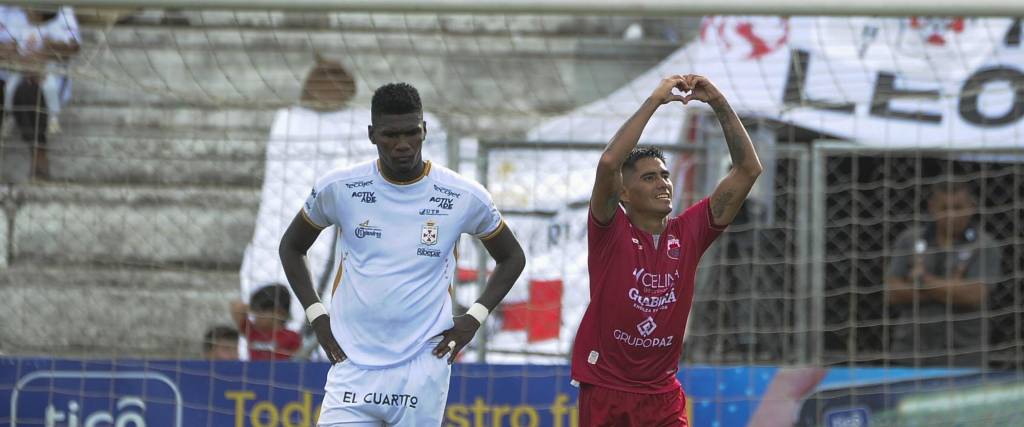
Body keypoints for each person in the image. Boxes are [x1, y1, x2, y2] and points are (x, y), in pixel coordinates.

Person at [279, 82, 525, 426]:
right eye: (390, 135)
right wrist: (317, 316)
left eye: (412, 132)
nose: (403, 145)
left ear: (424, 130)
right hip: (351, 363)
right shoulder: (340, 188)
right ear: (372, 135)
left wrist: (474, 319)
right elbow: (291, 246)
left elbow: (512, 257)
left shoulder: (463, 195)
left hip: (422, 365)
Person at [571, 74, 762, 426]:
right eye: (649, 178)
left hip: (662, 396)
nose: (663, 183)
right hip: (607, 390)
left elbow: (748, 169)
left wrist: (718, 101)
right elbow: (610, 163)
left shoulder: (689, 232)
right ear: (624, 194)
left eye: (664, 175)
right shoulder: (609, 231)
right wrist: (655, 101)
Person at [885, 180, 1002, 367]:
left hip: (964, 355)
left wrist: (921, 279)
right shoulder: (909, 240)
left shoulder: (984, 245)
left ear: (971, 207)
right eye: (944, 207)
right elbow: (892, 293)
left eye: (958, 207)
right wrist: (950, 288)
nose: (952, 214)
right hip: (912, 352)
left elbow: (974, 295)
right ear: (932, 207)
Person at [0, 5, 80, 180]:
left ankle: (39, 150)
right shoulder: (4, 9)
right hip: (8, 72)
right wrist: (14, 57)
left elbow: (72, 46)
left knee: (27, 90)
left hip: (42, 76)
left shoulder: (60, 12)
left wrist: (45, 52)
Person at [230, 284, 301, 361]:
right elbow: (236, 307)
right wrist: (252, 305)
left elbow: (298, 360)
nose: (255, 316)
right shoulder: (252, 332)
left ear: (279, 312)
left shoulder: (292, 336)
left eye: (260, 312)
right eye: (255, 311)